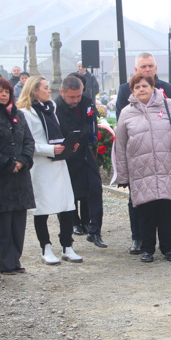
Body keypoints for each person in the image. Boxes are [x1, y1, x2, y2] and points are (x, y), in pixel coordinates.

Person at [114, 74, 171, 263]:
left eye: (144, 86)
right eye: (137, 87)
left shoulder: (169, 105)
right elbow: (120, 146)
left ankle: (168, 248)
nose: (141, 89)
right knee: (146, 212)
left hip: (168, 167)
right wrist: (123, 177)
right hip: (142, 170)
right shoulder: (126, 113)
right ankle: (147, 249)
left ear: (152, 87)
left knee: (167, 211)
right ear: (132, 91)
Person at [17, 76, 83, 265]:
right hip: (41, 166)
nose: (49, 90)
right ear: (35, 90)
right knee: (42, 208)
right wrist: (50, 149)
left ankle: (67, 246)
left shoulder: (51, 108)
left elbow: (57, 133)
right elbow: (28, 143)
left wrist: (67, 146)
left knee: (67, 205)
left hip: (59, 162)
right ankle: (45, 247)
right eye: (45, 88)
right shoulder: (25, 112)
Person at [115, 53, 171, 253]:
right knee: (139, 202)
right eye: (143, 66)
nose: (147, 69)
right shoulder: (125, 90)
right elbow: (121, 126)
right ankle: (138, 238)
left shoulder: (166, 89)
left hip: (163, 156)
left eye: (150, 65)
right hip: (139, 158)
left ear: (156, 68)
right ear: (136, 69)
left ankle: (167, 245)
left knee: (166, 203)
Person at [0, 77, 36, 274]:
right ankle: (5, 262)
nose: (3, 95)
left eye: (6, 91)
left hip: (20, 175)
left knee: (19, 221)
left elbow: (29, 140)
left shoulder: (18, 114)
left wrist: (22, 161)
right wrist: (6, 163)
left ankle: (16, 259)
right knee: (3, 222)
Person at [55, 74, 107, 248]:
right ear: (62, 92)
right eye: (72, 97)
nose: (76, 100)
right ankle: (68, 233)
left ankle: (95, 231)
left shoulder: (86, 102)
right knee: (66, 196)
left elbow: (91, 124)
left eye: (78, 95)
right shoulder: (56, 107)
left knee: (95, 187)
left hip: (84, 152)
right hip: (66, 156)